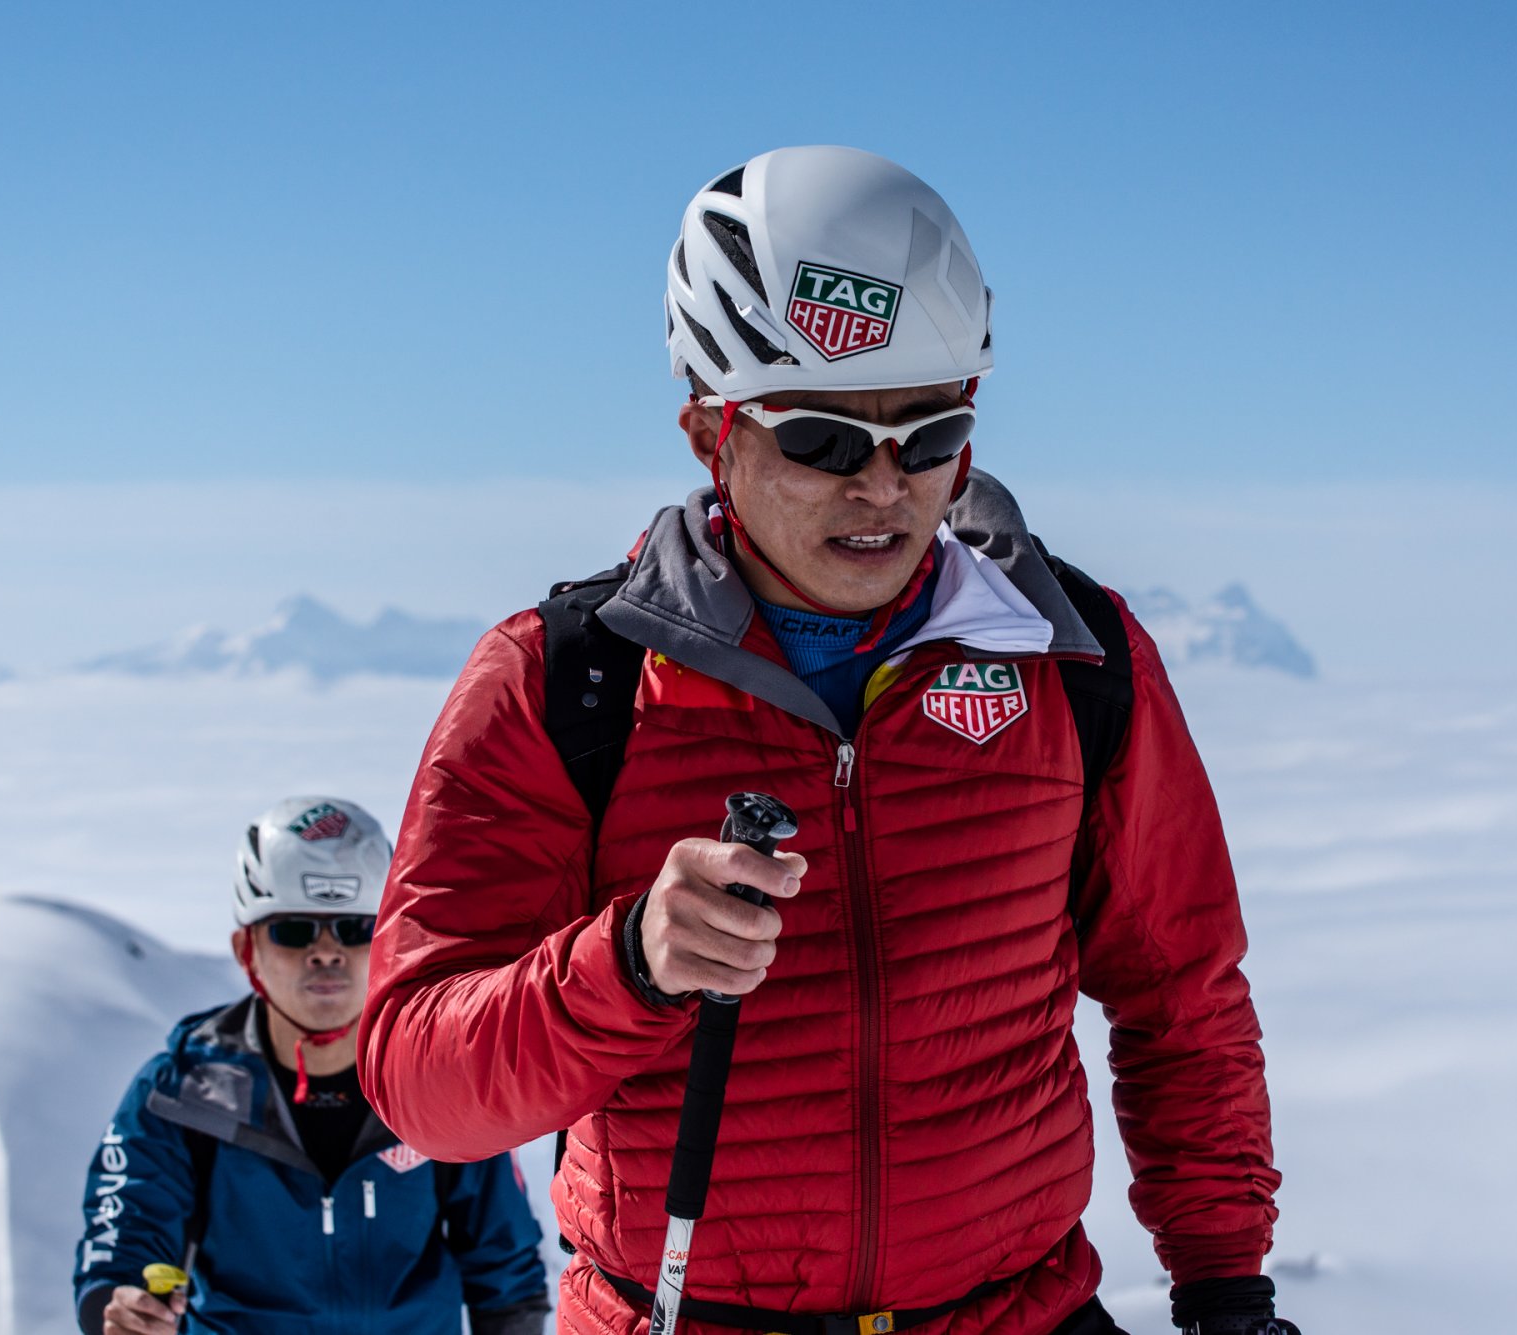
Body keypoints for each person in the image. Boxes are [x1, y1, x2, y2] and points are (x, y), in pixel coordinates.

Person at [359, 147, 1298, 1335]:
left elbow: (1182, 996)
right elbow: (420, 1087)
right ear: (710, 432)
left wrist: (1222, 1284)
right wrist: (629, 964)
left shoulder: (1073, 656)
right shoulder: (565, 683)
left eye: (930, 432)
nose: (883, 487)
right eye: (821, 440)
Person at [73, 796, 551, 1335]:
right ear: (246, 947)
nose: (326, 952)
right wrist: (124, 1305)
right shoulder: (182, 1092)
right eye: (294, 930)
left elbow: (507, 1275)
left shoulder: (438, 1080)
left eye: (353, 928)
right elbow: (124, 1237)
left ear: (389, 943)